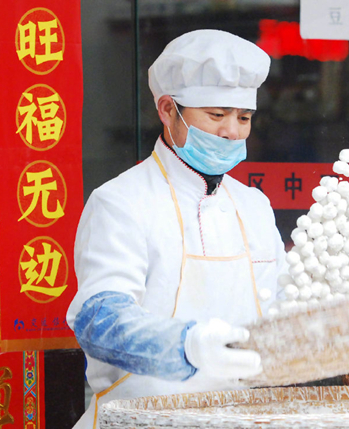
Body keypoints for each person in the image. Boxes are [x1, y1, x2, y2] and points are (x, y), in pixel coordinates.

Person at [66, 30, 286, 429]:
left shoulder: (254, 206)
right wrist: (188, 346)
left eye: (244, 118)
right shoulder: (121, 201)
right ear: (168, 109)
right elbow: (99, 320)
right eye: (217, 115)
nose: (232, 132)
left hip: (239, 419)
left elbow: (286, 309)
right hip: (137, 421)